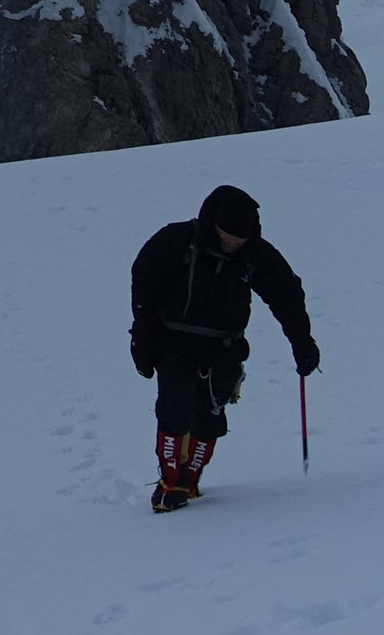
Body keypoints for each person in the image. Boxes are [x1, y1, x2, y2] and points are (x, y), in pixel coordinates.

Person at [128, 184, 320, 512]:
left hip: (224, 347)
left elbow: (286, 295)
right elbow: (145, 284)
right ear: (212, 224)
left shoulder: (255, 253)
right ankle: (171, 482)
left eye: (240, 239)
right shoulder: (176, 241)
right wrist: (142, 339)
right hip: (174, 342)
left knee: (211, 415)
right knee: (174, 410)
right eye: (228, 237)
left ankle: (190, 479)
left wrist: (302, 341)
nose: (234, 245)